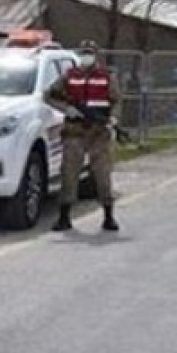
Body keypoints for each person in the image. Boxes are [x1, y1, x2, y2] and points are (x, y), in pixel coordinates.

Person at [45, 40, 121, 232]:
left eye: (90, 53)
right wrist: (67, 109)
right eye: (83, 53)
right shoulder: (69, 76)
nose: (86, 56)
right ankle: (64, 217)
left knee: (102, 174)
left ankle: (108, 216)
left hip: (99, 132)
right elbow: (49, 95)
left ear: (96, 55)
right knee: (69, 174)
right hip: (75, 131)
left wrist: (113, 117)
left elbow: (117, 100)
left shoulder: (107, 77)